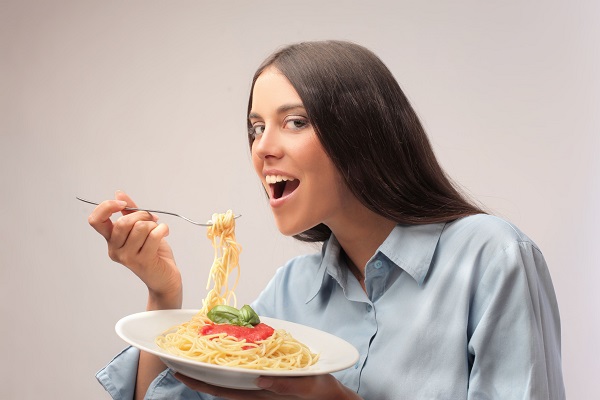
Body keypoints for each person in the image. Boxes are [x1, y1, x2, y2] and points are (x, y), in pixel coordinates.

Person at [89, 40, 565, 399]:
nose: (263, 148)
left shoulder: (491, 257)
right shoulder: (292, 289)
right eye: (256, 128)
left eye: (295, 121)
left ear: (361, 131)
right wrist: (163, 293)